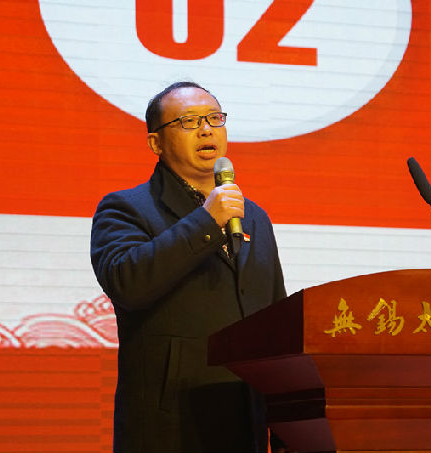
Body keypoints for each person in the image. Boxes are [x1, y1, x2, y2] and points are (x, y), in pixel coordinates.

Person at [90, 81, 287, 452]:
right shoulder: (125, 209)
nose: (206, 129)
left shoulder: (254, 217)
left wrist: (286, 430)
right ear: (156, 143)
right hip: (170, 425)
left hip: (246, 421)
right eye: (188, 122)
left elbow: (276, 321)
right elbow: (127, 282)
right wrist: (206, 222)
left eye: (214, 118)